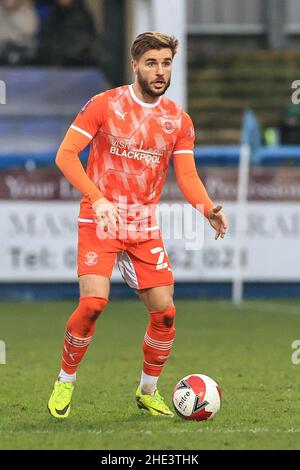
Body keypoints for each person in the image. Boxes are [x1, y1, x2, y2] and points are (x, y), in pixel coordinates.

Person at [47, 31, 228, 419]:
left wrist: (208, 208)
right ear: (135, 65)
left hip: (143, 225)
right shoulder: (104, 104)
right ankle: (65, 380)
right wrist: (97, 199)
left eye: (166, 63)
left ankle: (148, 391)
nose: (160, 71)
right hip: (101, 219)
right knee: (93, 304)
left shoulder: (178, 120)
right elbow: (65, 156)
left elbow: (188, 176)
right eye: (152, 63)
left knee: (165, 314)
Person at [38, 0, 97, 66]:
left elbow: (80, 46)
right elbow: (45, 40)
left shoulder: (82, 16)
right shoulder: (53, 15)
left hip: (78, 66)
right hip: (54, 66)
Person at [0, 0, 39, 65]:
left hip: (24, 49)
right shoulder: (1, 10)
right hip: (2, 49)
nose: (8, 1)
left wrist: (13, 13)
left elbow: (30, 30)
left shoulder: (26, 10)